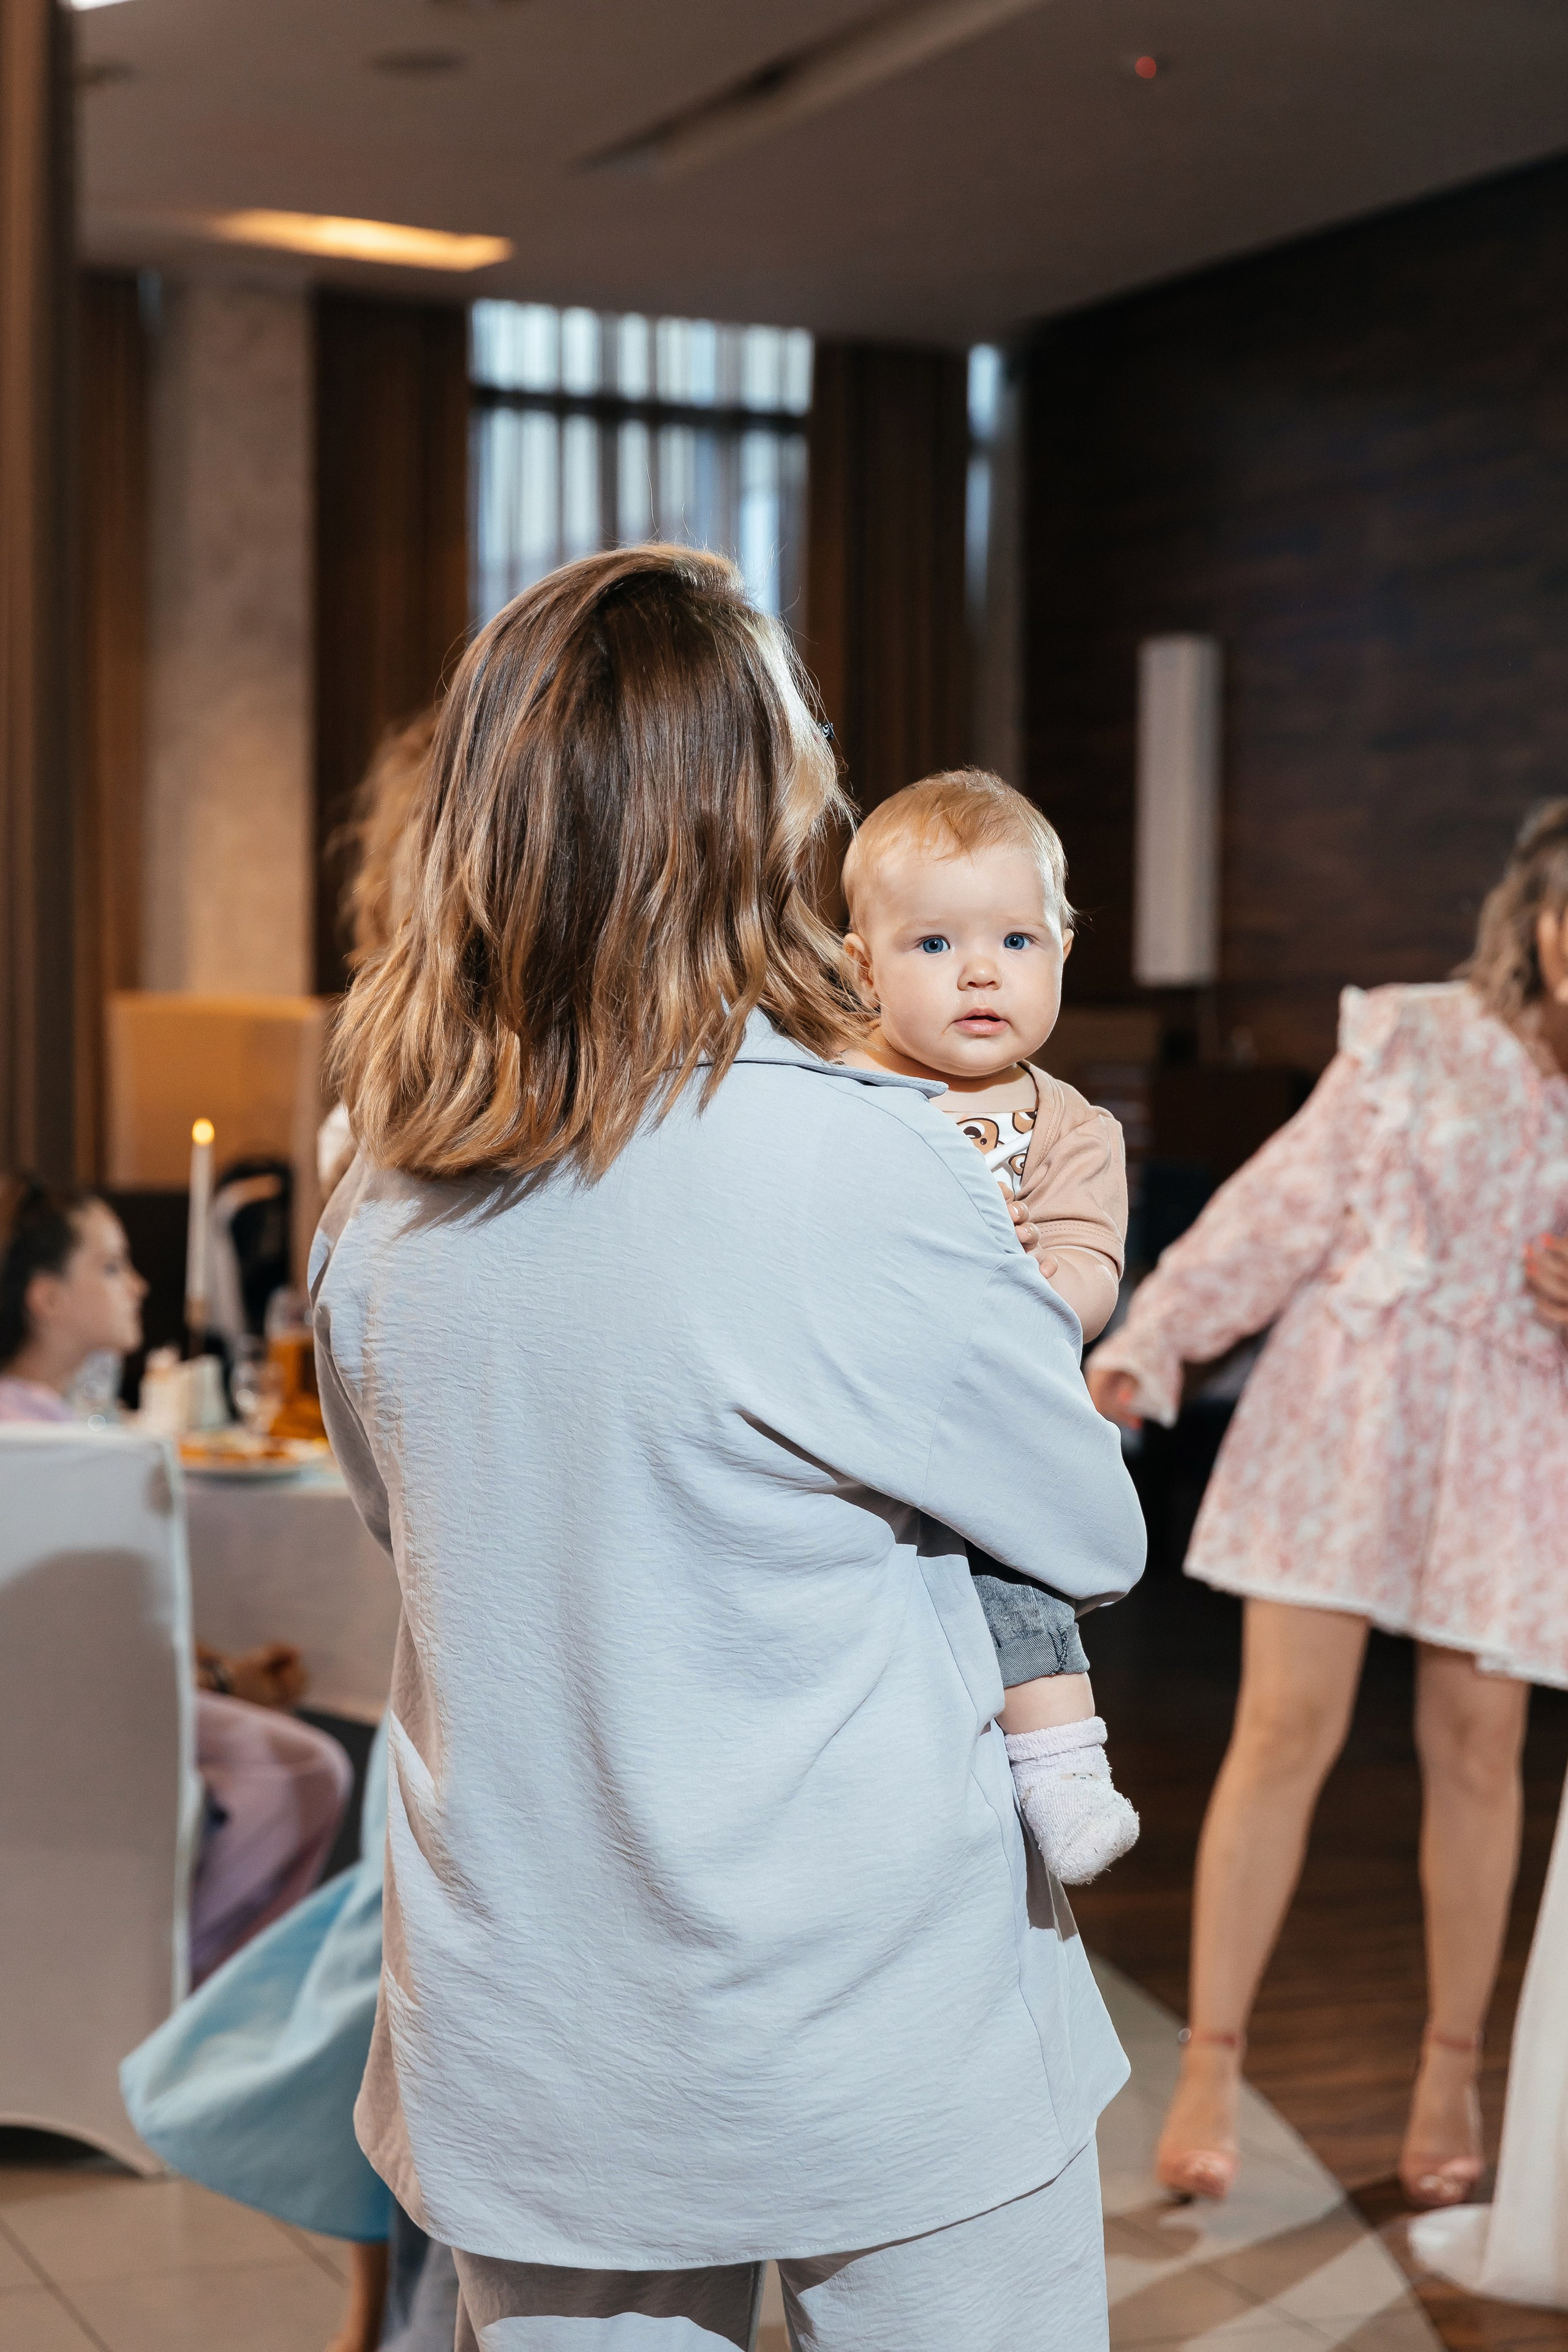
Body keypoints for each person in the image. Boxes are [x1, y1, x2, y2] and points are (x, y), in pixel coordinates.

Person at [315, 545, 1146, 2350]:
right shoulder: (856, 1158)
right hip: (868, 2021)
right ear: (753, 815)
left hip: (535, 2029)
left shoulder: (375, 1180)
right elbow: (1084, 1520)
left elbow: (410, 1528)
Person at [1086, 801, 1568, 2210]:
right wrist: (1149, 1340)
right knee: (1281, 1728)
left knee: (1477, 1754)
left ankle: (1443, 2075)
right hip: (1346, 1410)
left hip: (1510, 1435)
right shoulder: (1413, 1036)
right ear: (1534, 919)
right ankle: (1209, 2065)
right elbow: (1274, 1206)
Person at [124, 707, 458, 2352]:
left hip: (452, 1642)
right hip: (484, 1646)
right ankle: (388, 2303)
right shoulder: (401, 1114)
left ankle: (381, 2305)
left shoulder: (380, 1111)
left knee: (406, 1954)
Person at [840, 768, 1139, 1883]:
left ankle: (1062, 1765)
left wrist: (1013, 1276)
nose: (979, 972)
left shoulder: (1071, 1128)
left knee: (1020, 1573)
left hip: (991, 1413)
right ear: (862, 966)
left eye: (1016, 941)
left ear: (1062, 947)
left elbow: (1089, 1278)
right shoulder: (839, 1093)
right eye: (932, 946)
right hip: (855, 1401)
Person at [0, 1177, 352, 1984]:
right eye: (113, 1266)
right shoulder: (69, 1460)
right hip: (70, 1733)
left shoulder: (44, 1431)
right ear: (46, 1297)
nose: (141, 1283)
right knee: (308, 1772)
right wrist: (223, 1676)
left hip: (49, 1719)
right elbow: (90, 1658)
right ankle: (175, 1986)